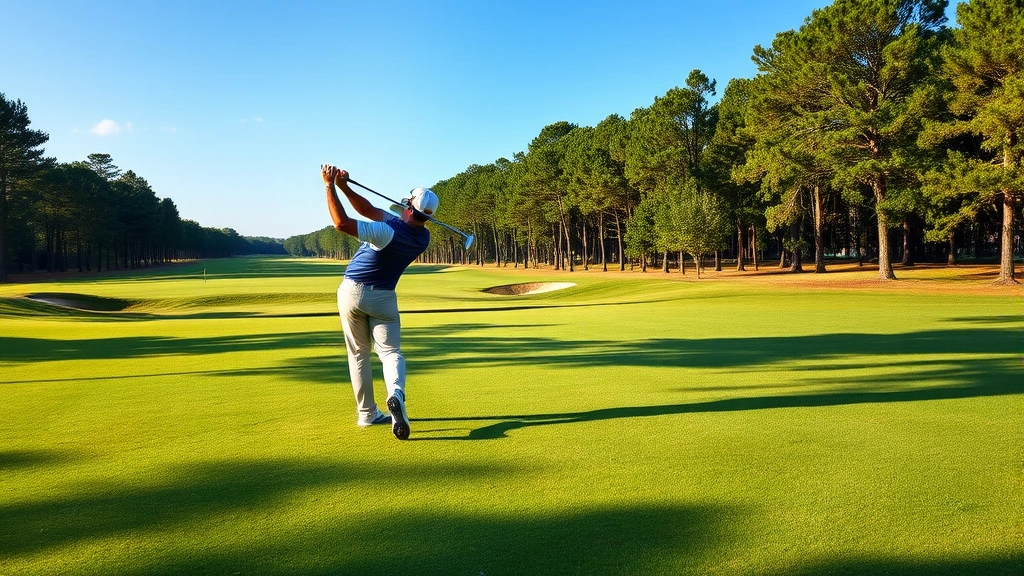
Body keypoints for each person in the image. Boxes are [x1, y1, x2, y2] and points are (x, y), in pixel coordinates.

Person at [321, 164, 437, 440]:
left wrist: (328, 186)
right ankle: (396, 392)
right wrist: (344, 186)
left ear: (409, 206)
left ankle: (367, 414)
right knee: (390, 352)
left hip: (352, 292)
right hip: (384, 297)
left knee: (359, 353)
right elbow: (368, 209)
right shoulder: (423, 237)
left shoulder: (387, 231)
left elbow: (342, 223)